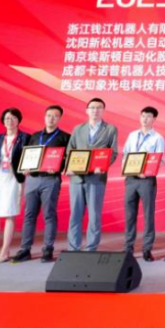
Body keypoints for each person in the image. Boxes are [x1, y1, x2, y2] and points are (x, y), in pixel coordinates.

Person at [11, 105, 69, 263]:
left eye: (55, 116)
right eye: (49, 115)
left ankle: (48, 249)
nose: (51, 118)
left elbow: (68, 159)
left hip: (51, 180)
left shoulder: (65, 137)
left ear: (59, 118)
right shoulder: (35, 136)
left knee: (49, 214)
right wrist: (25, 168)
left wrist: (59, 167)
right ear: (44, 117)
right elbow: (28, 155)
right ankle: (25, 249)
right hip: (32, 179)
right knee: (29, 215)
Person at [66, 97, 118, 252]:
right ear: (87, 110)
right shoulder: (78, 129)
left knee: (94, 215)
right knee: (75, 214)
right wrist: (69, 167)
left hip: (96, 177)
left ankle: (91, 248)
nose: (95, 110)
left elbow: (113, 152)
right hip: (76, 178)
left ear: (103, 110)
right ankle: (73, 248)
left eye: (99, 107)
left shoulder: (110, 129)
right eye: (92, 107)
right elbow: (70, 150)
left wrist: (103, 166)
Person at [0, 107, 29, 263]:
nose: (10, 121)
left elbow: (31, 156)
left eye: (13, 118)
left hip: (13, 179)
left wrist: (28, 168)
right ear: (3, 121)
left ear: (19, 120)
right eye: (7, 118)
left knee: (9, 214)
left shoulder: (25, 138)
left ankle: (5, 251)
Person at [122, 106, 165, 262]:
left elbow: (160, 160)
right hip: (131, 180)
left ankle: (147, 249)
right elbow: (125, 154)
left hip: (147, 180)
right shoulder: (132, 135)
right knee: (129, 215)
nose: (145, 119)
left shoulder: (158, 138)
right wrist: (127, 169)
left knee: (148, 215)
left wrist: (146, 171)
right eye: (143, 116)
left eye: (148, 116)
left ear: (154, 119)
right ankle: (128, 247)